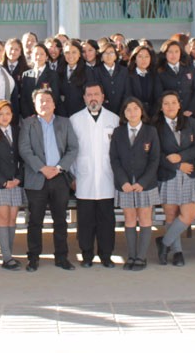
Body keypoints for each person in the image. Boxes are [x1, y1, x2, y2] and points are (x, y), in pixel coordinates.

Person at [19, 88, 80, 271]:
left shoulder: (65, 122)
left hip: (59, 177)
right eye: (40, 101)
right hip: (37, 177)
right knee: (35, 220)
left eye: (47, 100)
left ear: (54, 104)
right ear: (35, 105)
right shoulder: (28, 123)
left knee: (60, 219)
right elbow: (24, 149)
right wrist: (42, 168)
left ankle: (61, 257)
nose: (44, 103)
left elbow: (73, 148)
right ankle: (34, 257)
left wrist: (59, 167)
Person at [70, 83, 120, 269]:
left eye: (96, 94)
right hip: (83, 178)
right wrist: (72, 177)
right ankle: (87, 255)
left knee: (107, 220)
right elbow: (71, 150)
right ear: (84, 98)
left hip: (107, 178)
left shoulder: (113, 119)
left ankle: (106, 255)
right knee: (86, 221)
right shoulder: (75, 120)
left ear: (102, 96)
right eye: (89, 94)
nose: (93, 98)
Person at [110, 97, 160, 271]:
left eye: (135, 108)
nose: (132, 112)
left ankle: (141, 257)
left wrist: (143, 182)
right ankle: (131, 256)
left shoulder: (150, 131)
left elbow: (154, 160)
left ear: (141, 111)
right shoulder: (118, 132)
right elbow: (114, 159)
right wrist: (123, 181)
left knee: (145, 218)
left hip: (145, 184)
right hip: (125, 184)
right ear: (124, 113)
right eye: (128, 109)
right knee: (130, 219)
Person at [153, 91, 195, 267]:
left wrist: (181, 158)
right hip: (168, 175)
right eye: (166, 103)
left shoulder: (189, 123)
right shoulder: (156, 126)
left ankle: (164, 243)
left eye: (173, 102)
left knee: (189, 214)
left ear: (179, 105)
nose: (170, 106)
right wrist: (176, 166)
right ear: (161, 107)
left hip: (189, 174)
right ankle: (177, 252)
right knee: (171, 215)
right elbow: (156, 155)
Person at [0, 100, 27, 270]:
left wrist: (18, 178)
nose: (4, 117)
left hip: (15, 182)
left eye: (7, 113)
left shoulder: (16, 130)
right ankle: (6, 257)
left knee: (13, 218)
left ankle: (8, 253)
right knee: (3, 218)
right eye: (0, 114)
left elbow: (22, 157)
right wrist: (2, 181)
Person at [155, 39, 195, 117]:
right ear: (165, 54)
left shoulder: (189, 68)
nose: (174, 55)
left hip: (190, 113)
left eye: (177, 51)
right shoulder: (160, 72)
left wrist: (191, 109)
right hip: (171, 114)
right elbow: (159, 94)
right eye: (170, 52)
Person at [19, 44, 60, 120]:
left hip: (46, 116)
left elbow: (55, 97)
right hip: (29, 117)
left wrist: (44, 114)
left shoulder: (53, 75)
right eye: (36, 54)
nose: (38, 57)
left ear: (47, 57)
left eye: (42, 54)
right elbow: (23, 98)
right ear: (31, 56)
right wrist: (27, 115)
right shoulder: (26, 74)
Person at [58, 41, 93, 117]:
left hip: (81, 114)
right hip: (62, 115)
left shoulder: (87, 71)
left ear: (80, 54)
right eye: (67, 52)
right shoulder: (59, 71)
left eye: (74, 52)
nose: (70, 55)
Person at [93, 42, 129, 115]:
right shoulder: (95, 71)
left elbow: (127, 90)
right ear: (101, 57)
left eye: (111, 53)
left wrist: (124, 105)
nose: (109, 55)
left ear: (116, 56)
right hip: (103, 110)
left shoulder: (124, 70)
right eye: (105, 53)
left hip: (122, 109)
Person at [127, 44, 157, 117]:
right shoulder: (128, 75)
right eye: (140, 56)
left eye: (147, 56)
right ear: (135, 59)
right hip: (134, 114)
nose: (144, 59)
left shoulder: (154, 75)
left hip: (152, 114)